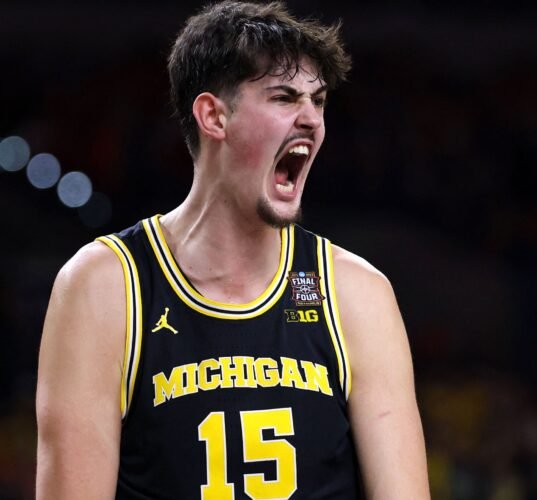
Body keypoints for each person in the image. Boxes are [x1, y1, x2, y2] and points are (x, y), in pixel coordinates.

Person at [35, 1, 430, 498]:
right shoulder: (104, 288)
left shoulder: (355, 293)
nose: (311, 119)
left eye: (318, 101)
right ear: (213, 116)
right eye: (284, 97)